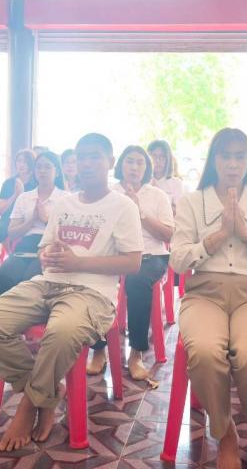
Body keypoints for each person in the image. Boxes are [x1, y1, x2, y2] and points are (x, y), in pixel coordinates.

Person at [0, 133, 143, 451]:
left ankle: (28, 406)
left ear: (110, 162)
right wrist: (46, 254)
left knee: (61, 333)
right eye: (81, 157)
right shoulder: (64, 204)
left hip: (92, 293)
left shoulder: (123, 205)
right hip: (47, 283)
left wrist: (80, 262)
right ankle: (46, 394)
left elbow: (133, 262)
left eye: (95, 156)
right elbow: (44, 247)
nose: (86, 163)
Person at [170, 128, 247, 469]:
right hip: (203, 294)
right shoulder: (192, 201)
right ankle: (225, 434)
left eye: (240, 156)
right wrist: (220, 235)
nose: (233, 164)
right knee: (205, 353)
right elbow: (178, 260)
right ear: (214, 159)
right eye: (225, 156)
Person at [87, 145, 173, 381]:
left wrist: (139, 211)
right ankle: (98, 350)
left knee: (136, 281)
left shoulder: (157, 195)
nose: (134, 167)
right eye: (129, 161)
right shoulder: (109, 193)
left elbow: (168, 234)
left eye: (140, 162)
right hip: (113, 254)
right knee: (93, 279)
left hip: (150, 256)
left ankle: (136, 353)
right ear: (120, 165)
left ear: (147, 168)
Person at [0, 151, 67, 298]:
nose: (42, 170)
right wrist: (31, 221)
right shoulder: (25, 197)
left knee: (29, 283)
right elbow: (12, 233)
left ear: (57, 172)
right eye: (39, 167)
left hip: (50, 248)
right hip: (25, 246)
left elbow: (67, 236)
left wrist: (45, 220)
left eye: (47, 167)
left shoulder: (66, 199)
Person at [0, 149, 36, 272]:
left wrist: (23, 195)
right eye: (19, 161)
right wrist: (15, 195)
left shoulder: (36, 182)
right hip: (8, 219)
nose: (21, 164)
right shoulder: (9, 182)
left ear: (32, 163)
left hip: (30, 220)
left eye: (25, 161)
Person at [147, 139, 185, 212]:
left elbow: (179, 211)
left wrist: (159, 195)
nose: (157, 160)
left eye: (162, 156)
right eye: (154, 156)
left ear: (168, 159)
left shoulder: (176, 183)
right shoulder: (143, 181)